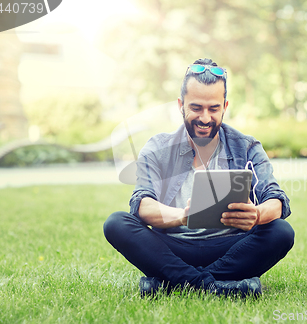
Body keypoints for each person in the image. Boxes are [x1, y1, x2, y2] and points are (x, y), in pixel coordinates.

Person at [103, 58, 294, 298]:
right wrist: (182, 216)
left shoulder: (246, 147)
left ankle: (171, 284)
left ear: (225, 106)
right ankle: (217, 287)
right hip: (173, 247)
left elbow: (276, 200)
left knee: (281, 232)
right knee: (116, 223)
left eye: (213, 108)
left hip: (230, 247)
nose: (205, 118)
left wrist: (257, 215)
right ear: (181, 105)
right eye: (196, 107)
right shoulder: (157, 148)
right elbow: (142, 205)